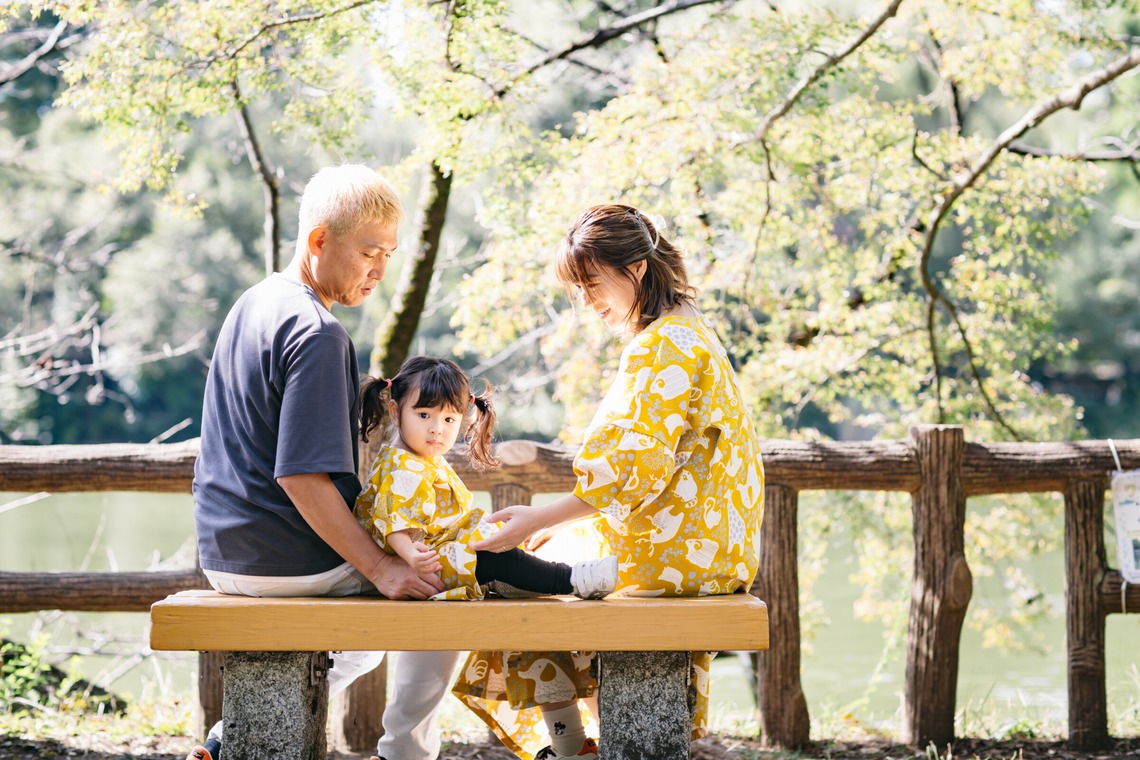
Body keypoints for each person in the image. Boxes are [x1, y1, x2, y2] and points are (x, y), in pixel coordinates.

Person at [451, 204, 766, 760]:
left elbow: (631, 472)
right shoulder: (694, 330)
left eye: (593, 283)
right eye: (580, 288)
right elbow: (661, 477)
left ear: (638, 268)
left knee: (508, 577)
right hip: (711, 542)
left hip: (678, 554)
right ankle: (592, 742)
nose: (588, 301)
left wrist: (539, 517)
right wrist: (557, 525)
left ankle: (576, 750)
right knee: (548, 549)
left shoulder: (662, 346)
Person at [189, 164, 458, 760]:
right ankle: (405, 753)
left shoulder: (252, 302)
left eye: (389, 254)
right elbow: (301, 477)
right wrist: (384, 568)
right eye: (368, 252)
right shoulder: (318, 332)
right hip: (287, 558)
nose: (380, 270)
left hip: (225, 554)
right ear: (318, 240)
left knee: (387, 606)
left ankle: (239, 730)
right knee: (445, 594)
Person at [353, 355, 619, 602]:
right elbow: (393, 521)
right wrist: (410, 554)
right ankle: (569, 579)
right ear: (396, 412)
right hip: (423, 563)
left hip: (438, 551)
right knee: (490, 557)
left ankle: (515, 580)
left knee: (496, 544)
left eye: (448, 419)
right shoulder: (400, 466)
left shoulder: (420, 455)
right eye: (424, 415)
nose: (437, 429)